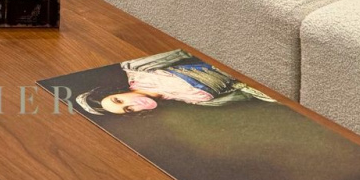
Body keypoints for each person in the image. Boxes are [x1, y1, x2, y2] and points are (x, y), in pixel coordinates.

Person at [77, 50, 275, 115]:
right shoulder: (196, 102)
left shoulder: (138, 69)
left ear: (115, 91)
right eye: (128, 110)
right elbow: (244, 93)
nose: (132, 105)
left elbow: (186, 49)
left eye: (119, 100)